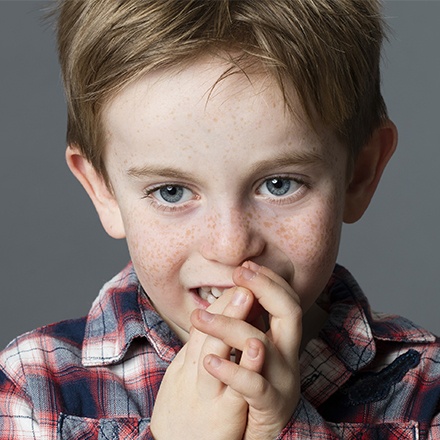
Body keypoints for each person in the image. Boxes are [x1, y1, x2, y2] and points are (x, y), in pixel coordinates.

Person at [0, 0, 439, 438]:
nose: (231, 246)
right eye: (171, 192)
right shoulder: (36, 388)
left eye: (280, 184)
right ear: (104, 192)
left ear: (359, 175)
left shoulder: (425, 390)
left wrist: (286, 429)